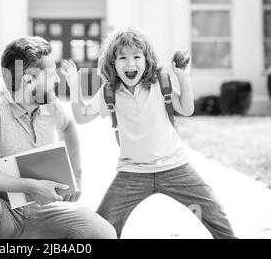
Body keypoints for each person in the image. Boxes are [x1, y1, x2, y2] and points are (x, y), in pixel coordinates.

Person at [61, 27, 236, 239]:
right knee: (103, 226)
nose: (130, 63)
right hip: (132, 172)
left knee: (213, 213)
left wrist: (183, 77)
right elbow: (82, 116)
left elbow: (186, 109)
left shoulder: (160, 83)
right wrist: (74, 86)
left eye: (137, 56)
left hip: (175, 167)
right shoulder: (110, 91)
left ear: (147, 59)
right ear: (112, 64)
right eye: (122, 58)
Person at [0, 36, 116, 239]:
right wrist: (31, 186)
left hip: (41, 210)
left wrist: (76, 175)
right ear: (28, 79)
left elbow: (68, 125)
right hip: (2, 213)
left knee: (103, 234)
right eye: (51, 75)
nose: (58, 80)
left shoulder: (49, 103)